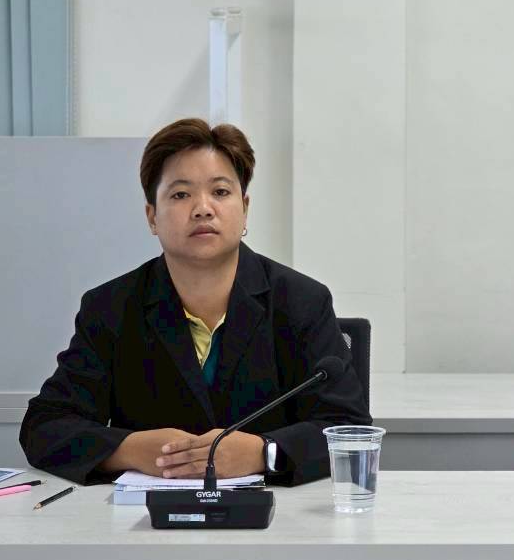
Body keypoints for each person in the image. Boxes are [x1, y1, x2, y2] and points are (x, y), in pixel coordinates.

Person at [21, 118, 369, 486]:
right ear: (152, 217)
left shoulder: (301, 301)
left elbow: (348, 427)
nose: (203, 208)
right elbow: (45, 426)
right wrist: (131, 449)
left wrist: (262, 452)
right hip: (145, 516)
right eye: (180, 195)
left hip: (273, 513)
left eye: (220, 191)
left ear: (244, 208)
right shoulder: (111, 307)